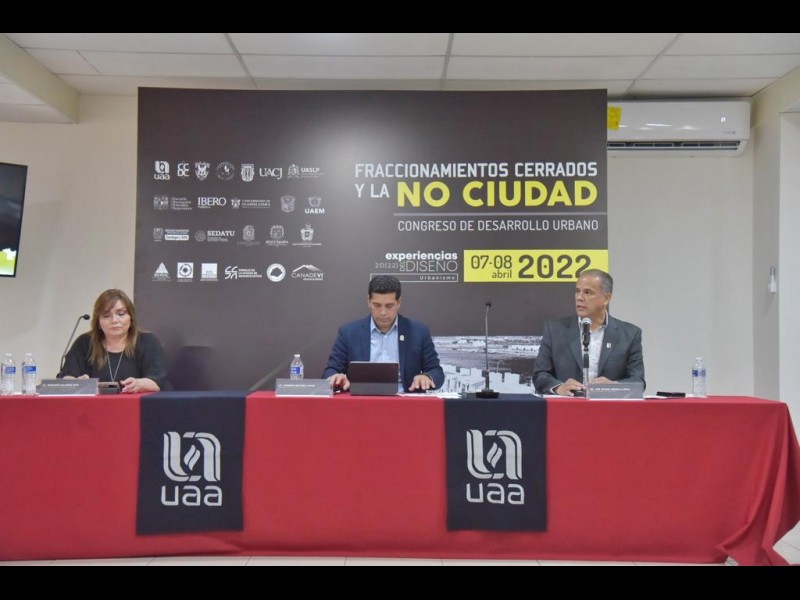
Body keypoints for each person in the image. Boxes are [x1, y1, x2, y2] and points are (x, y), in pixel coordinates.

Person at [324, 275, 445, 393]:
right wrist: (336, 378)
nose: (383, 312)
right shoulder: (348, 332)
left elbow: (436, 371)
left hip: (405, 401)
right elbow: (331, 371)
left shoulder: (418, 331)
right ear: (369, 301)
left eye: (389, 306)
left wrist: (427, 377)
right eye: (377, 305)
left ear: (398, 302)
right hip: (361, 401)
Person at [533, 269, 644, 396]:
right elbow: (540, 375)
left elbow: (638, 381)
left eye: (587, 292)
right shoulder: (555, 330)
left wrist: (614, 386)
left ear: (606, 298)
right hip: (568, 406)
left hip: (608, 406)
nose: (579, 297)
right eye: (577, 291)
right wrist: (559, 387)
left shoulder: (630, 334)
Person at [61, 289, 170, 393]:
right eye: (106, 316)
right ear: (98, 322)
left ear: (131, 318)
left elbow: (158, 381)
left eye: (121, 314)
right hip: (92, 405)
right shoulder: (84, 343)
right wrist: (77, 383)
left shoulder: (148, 341)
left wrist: (139, 384)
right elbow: (67, 376)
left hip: (134, 404)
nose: (114, 320)